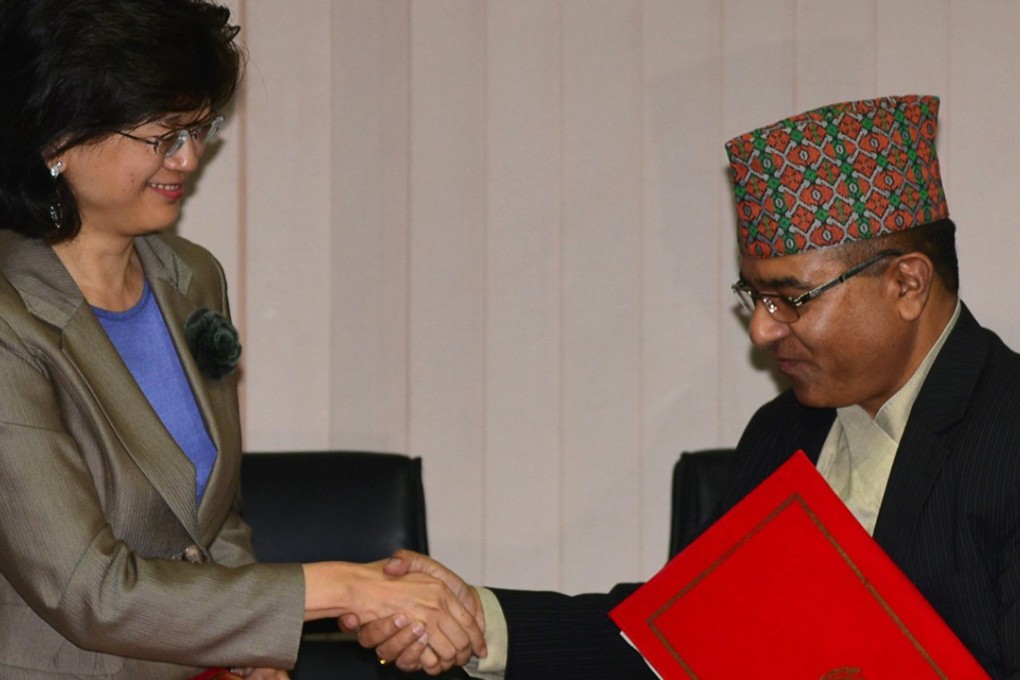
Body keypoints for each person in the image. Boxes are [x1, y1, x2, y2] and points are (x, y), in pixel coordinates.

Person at [353, 95, 1020, 679]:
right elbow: (680, 640)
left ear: (907, 284)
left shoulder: (1007, 432)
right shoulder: (785, 431)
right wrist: (478, 620)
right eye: (754, 296)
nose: (762, 329)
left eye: (790, 298)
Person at [0, 1, 485, 678]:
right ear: (57, 139)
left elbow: (211, 519)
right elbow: (89, 592)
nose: (189, 158)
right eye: (164, 135)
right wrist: (345, 586)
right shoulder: (11, 320)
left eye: (199, 129)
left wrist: (252, 653)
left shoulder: (191, 277)